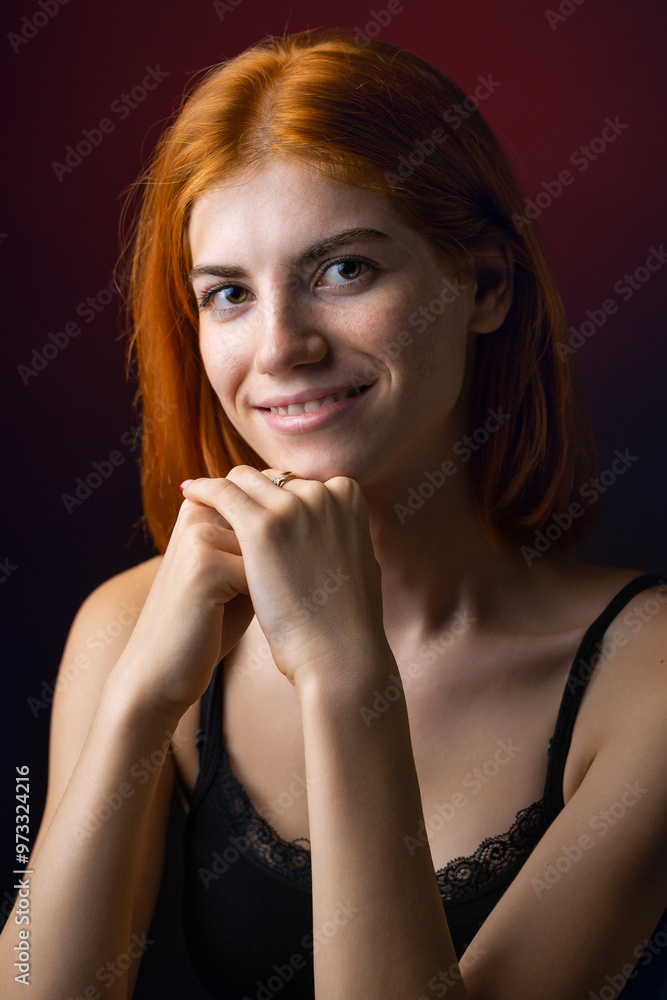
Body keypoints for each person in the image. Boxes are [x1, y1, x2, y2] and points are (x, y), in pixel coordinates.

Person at [2, 29, 665, 1000]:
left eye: (343, 270)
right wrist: (139, 701)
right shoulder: (127, 624)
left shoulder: (644, 678)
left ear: (484, 285)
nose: (280, 348)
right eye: (229, 293)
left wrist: (345, 677)